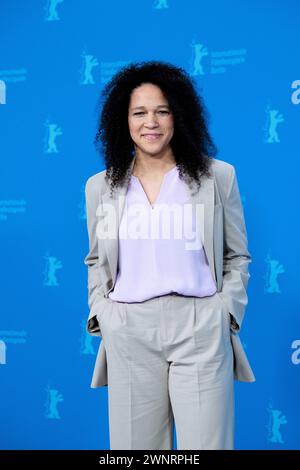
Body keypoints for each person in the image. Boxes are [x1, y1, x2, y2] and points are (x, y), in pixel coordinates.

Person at [84, 60, 255, 450]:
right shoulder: (100, 187)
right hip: (128, 329)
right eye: (139, 112)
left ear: (179, 115)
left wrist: (224, 312)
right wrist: (102, 314)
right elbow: (96, 259)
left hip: (200, 328)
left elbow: (238, 255)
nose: (152, 123)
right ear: (122, 120)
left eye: (162, 111)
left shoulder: (218, 176)